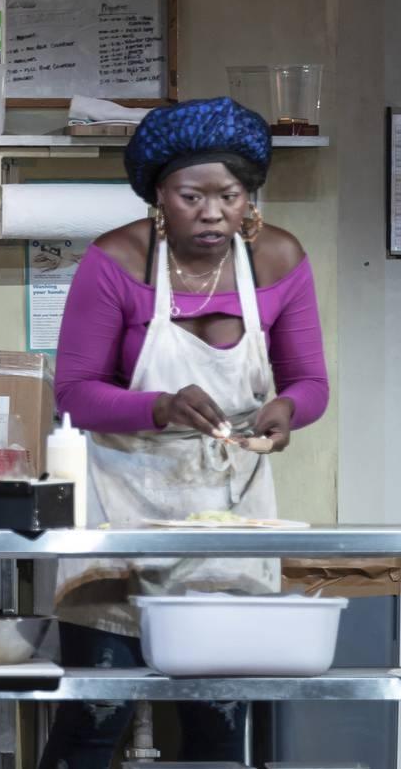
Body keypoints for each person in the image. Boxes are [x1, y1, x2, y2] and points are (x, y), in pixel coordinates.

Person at [41, 97, 329, 766]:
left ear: (248, 197)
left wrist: (288, 411)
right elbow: (76, 394)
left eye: (228, 195)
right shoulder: (114, 262)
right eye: (190, 195)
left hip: (232, 518)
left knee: (220, 724)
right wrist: (160, 407)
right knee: (94, 720)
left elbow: (309, 382)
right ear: (157, 198)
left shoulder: (280, 260)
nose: (211, 212)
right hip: (124, 516)